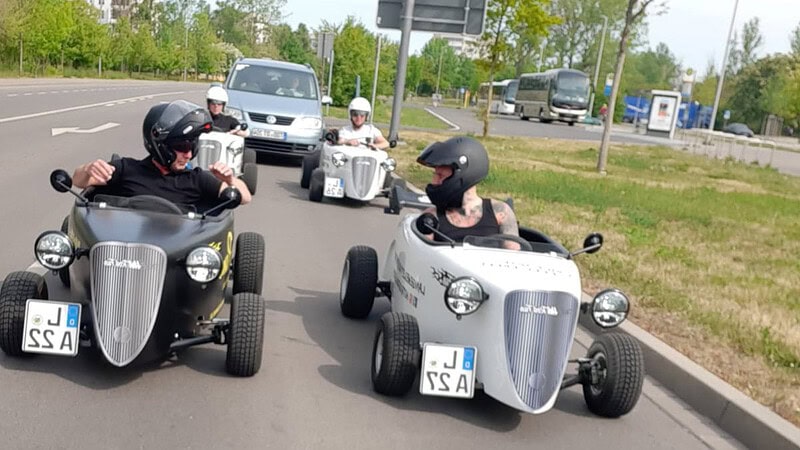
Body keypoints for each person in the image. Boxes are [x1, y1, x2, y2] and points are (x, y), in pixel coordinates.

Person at [72, 100, 252, 208]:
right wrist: (89, 169)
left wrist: (230, 181)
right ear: (161, 146)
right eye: (182, 147)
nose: (188, 155)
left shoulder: (196, 179)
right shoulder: (127, 169)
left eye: (192, 147)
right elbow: (78, 181)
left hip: (176, 260)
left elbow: (245, 198)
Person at [417, 136, 518, 245]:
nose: (434, 182)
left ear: (464, 175)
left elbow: (513, 258)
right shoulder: (430, 219)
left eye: (440, 176)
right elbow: (423, 255)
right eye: (435, 175)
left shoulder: (500, 212)